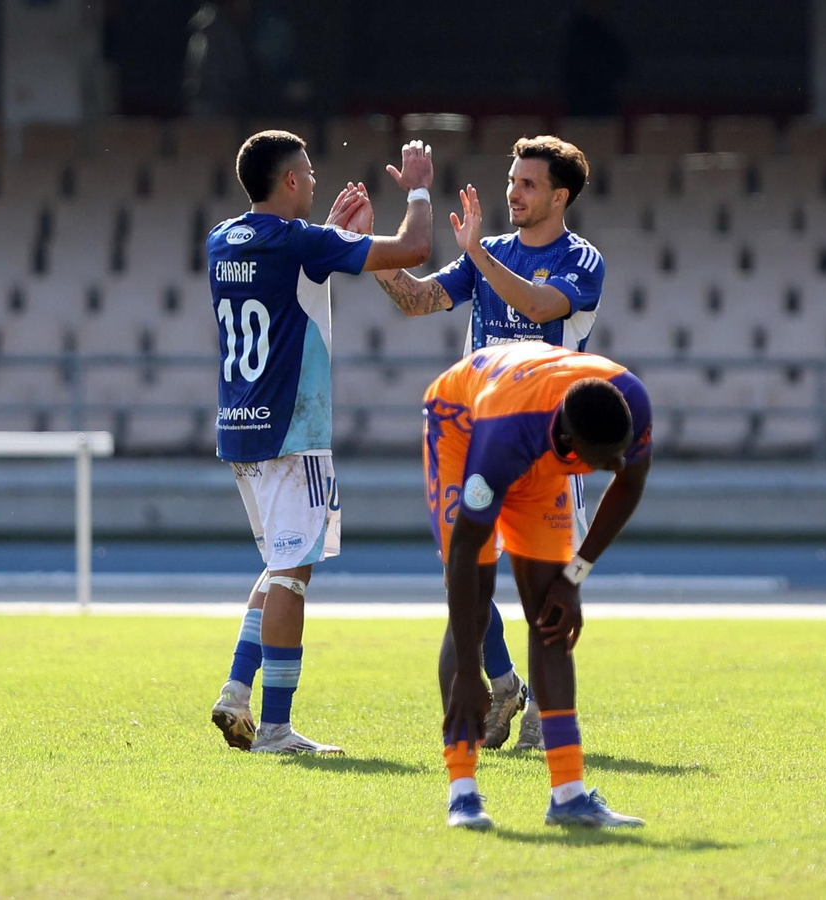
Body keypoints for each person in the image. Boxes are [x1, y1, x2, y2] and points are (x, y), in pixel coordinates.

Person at [364, 136, 602, 752]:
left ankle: (544, 718)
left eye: (527, 184)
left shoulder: (582, 260)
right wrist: (369, 250)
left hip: (551, 448)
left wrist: (478, 256)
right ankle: (503, 684)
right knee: (463, 572)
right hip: (481, 444)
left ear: (560, 195)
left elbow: (539, 302)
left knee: (543, 588)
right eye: (511, 180)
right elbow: (417, 300)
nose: (513, 193)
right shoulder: (487, 251)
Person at [205, 130, 435, 754]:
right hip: (292, 432)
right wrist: (416, 186)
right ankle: (276, 727)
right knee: (293, 576)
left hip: (241, 428)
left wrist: (331, 234)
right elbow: (415, 246)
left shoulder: (221, 239)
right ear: (288, 182)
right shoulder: (303, 244)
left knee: (277, 565)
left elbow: (286, 279)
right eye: (306, 172)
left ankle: (235, 691)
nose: (313, 178)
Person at [422, 342, 652, 830]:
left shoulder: (630, 404)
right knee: (474, 607)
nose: (615, 466)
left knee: (551, 617)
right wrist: (469, 672)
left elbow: (629, 484)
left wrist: (574, 577)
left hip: (538, 433)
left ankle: (567, 796)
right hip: (464, 425)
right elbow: (465, 551)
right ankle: (462, 792)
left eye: (620, 454)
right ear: (571, 441)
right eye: (603, 460)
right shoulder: (500, 439)